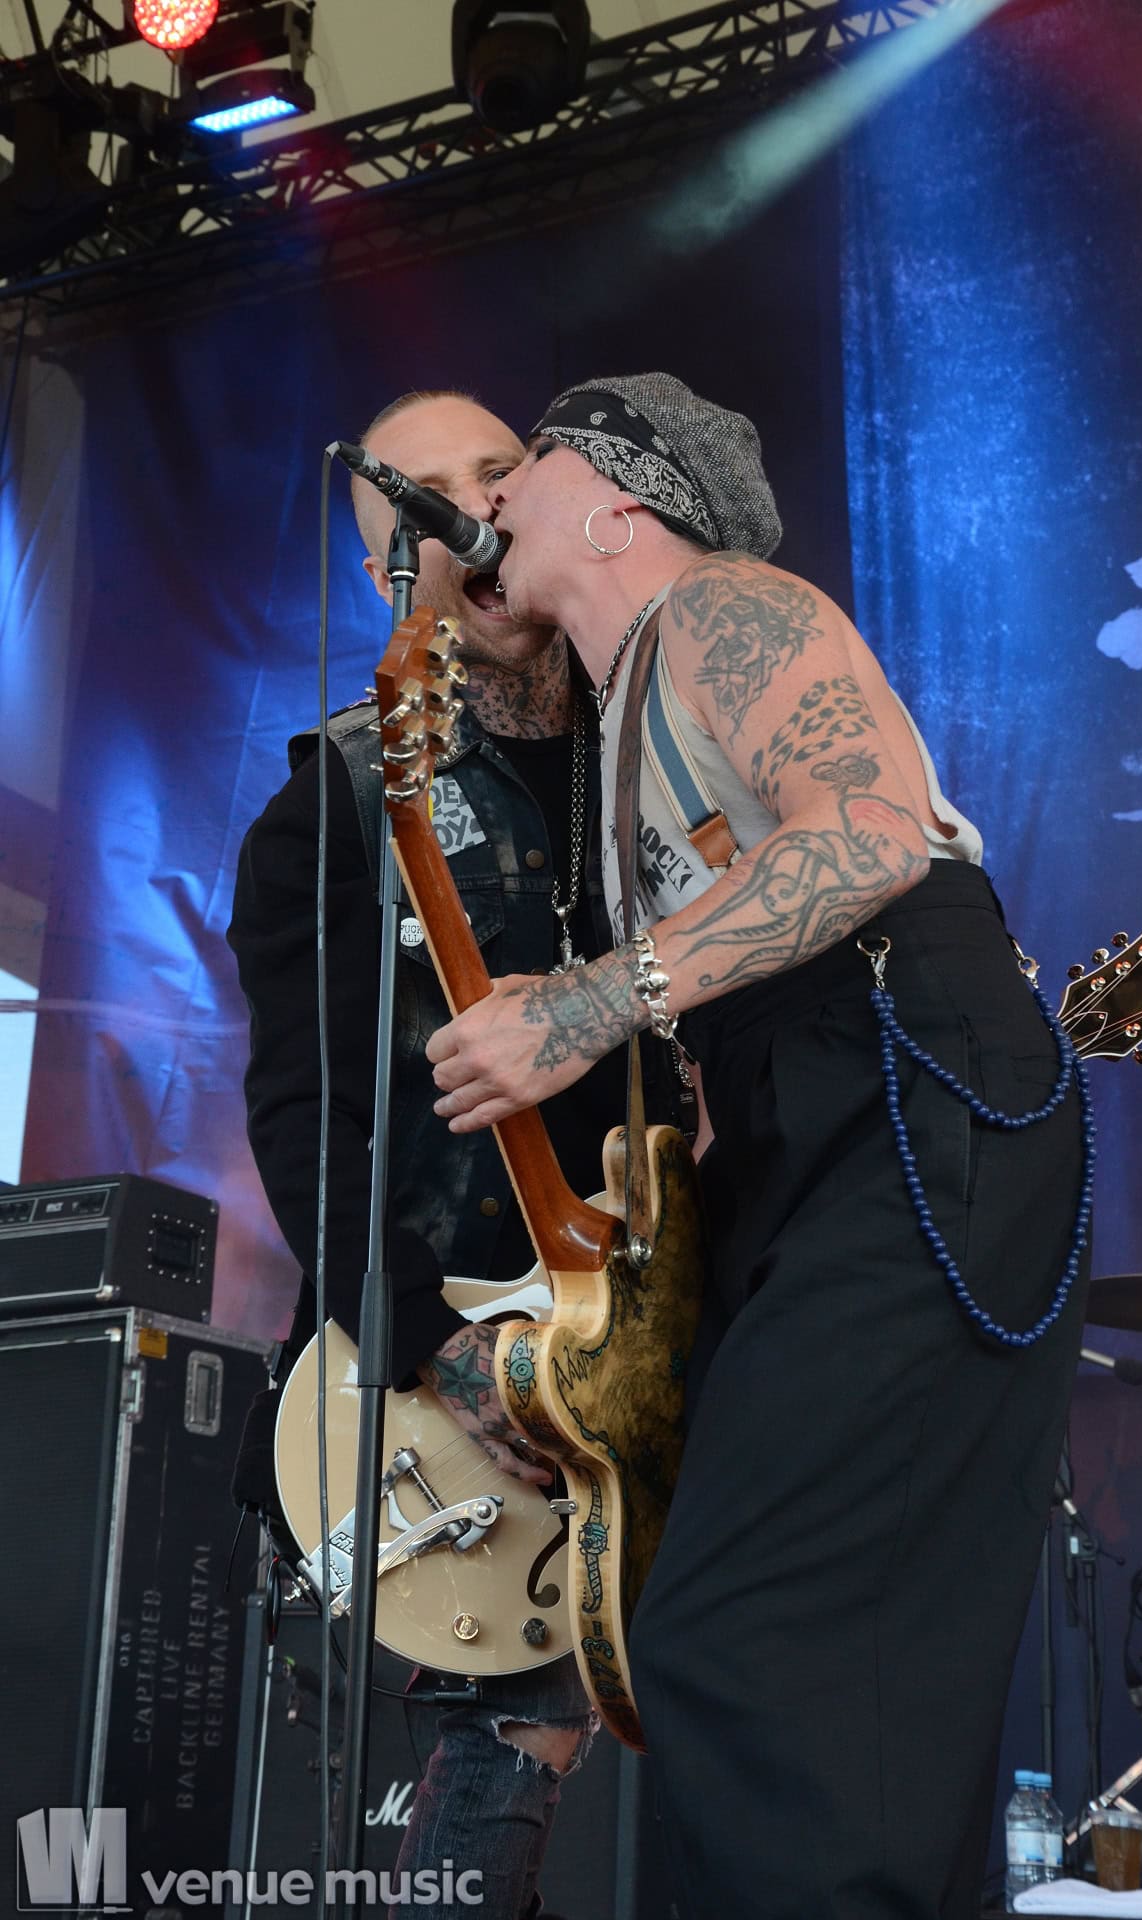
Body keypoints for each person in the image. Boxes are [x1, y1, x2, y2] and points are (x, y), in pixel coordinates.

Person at [422, 373, 1093, 1919]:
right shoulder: (618, 729)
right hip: (805, 1129)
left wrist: (585, 1004)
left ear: (621, 499)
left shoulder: (728, 607)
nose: (493, 499)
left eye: (525, 463)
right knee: (811, 1667)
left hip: (907, 1081)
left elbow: (872, 829)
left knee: (749, 1640)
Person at [227, 389, 630, 1919]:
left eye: (496, 474)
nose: (471, 510)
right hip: (465, 1374)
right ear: (386, 571)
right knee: (500, 1780)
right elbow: (302, 1115)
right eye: (421, 502)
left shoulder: (660, 758)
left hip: (662, 1335)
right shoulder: (336, 797)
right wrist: (428, 1349)